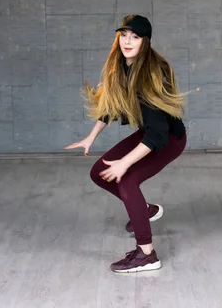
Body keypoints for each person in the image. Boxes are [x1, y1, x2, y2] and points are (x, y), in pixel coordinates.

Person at [65, 14, 187, 272]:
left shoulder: (149, 74)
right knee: (99, 173)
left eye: (135, 37)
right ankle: (144, 210)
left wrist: (124, 163)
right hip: (150, 135)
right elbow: (112, 105)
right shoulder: (122, 65)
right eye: (124, 35)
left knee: (126, 179)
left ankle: (147, 255)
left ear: (146, 41)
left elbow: (157, 134)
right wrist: (91, 136)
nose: (127, 42)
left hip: (169, 139)